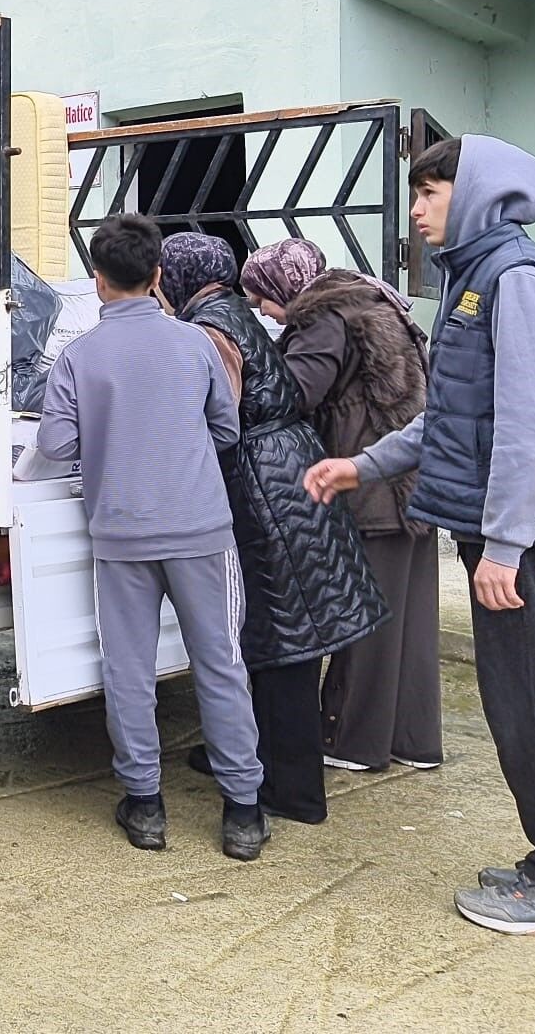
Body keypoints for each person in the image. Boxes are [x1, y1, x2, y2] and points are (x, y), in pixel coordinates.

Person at [307, 136, 535, 941]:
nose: (415, 209)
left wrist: (506, 547)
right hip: (515, 527)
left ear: (476, 191)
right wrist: (361, 466)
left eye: (430, 191)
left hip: (527, 534)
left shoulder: (514, 281)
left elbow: (531, 426)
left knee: (527, 706)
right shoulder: (476, 278)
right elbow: (453, 421)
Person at [34, 214, 268, 861]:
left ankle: (145, 806)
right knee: (220, 663)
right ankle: (242, 813)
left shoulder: (78, 358)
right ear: (158, 275)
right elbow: (226, 429)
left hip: (120, 534)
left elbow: (56, 445)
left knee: (128, 671)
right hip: (200, 529)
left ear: (98, 281)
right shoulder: (196, 344)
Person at [160, 232, 387, 826]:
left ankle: (293, 792)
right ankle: (252, 757)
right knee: (274, 638)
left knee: (283, 643)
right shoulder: (228, 309)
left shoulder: (209, 327)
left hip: (265, 489)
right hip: (288, 471)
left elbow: (221, 412)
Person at [241, 238, 439, 776]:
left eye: (263, 299)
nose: (263, 311)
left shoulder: (323, 319)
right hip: (415, 479)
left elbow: (294, 393)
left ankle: (352, 740)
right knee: (412, 619)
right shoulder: (372, 299)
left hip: (368, 481)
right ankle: (414, 740)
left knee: (363, 619)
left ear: (287, 289)